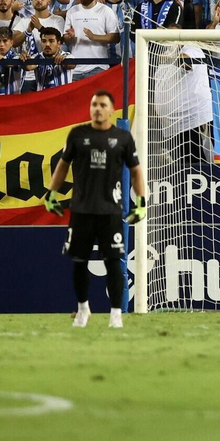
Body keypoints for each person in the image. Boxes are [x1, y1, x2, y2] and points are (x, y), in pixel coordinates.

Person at [43, 90, 145, 330]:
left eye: (102, 105)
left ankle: (116, 314)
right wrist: (51, 193)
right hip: (81, 210)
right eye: (93, 104)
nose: (97, 108)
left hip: (110, 212)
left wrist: (141, 202)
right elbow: (62, 165)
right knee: (79, 262)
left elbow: (137, 171)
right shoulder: (78, 135)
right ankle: (83, 308)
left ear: (111, 110)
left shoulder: (123, 138)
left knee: (113, 263)